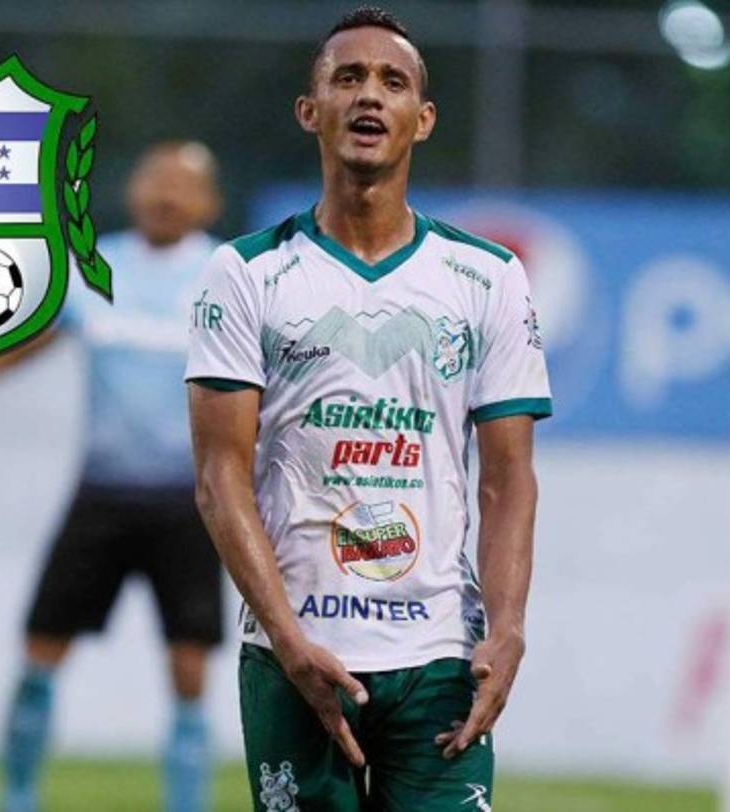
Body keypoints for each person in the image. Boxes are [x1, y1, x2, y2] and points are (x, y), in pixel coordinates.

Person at [184, 8, 551, 811]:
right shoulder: (243, 275)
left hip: (440, 659)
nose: (369, 95)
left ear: (423, 119)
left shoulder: (488, 278)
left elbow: (508, 479)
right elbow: (219, 477)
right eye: (347, 77)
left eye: (393, 81)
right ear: (310, 110)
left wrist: (508, 628)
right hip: (294, 650)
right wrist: (288, 639)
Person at [0, 142, 225, 812]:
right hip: (100, 495)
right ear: (132, 189)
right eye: (155, 179)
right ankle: (17, 797)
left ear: (209, 203)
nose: (166, 195)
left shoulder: (227, 277)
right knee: (39, 655)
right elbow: (17, 347)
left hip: (188, 503)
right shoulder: (92, 271)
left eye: (182, 185)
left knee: (190, 672)